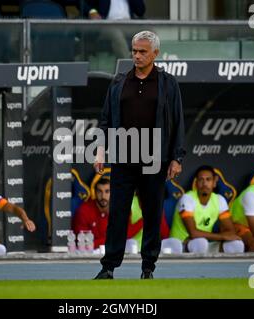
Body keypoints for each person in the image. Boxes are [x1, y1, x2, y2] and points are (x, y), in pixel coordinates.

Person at [93, 30, 185, 279]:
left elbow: (177, 122)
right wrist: (100, 149)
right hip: (123, 157)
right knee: (118, 212)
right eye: (134, 50)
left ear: (156, 53)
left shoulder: (168, 83)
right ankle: (108, 266)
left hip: (155, 158)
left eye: (143, 51)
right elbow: (105, 119)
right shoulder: (118, 82)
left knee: (152, 212)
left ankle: (148, 267)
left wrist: (177, 157)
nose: (137, 55)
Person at [164, 165, 244, 254]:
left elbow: (230, 232)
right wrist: (222, 236)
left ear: (214, 182)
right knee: (200, 243)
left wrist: (225, 236)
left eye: (208, 179)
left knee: (236, 244)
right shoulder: (187, 198)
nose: (204, 183)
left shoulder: (219, 200)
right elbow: (193, 233)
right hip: (181, 245)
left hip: (203, 245)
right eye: (201, 179)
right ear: (196, 183)